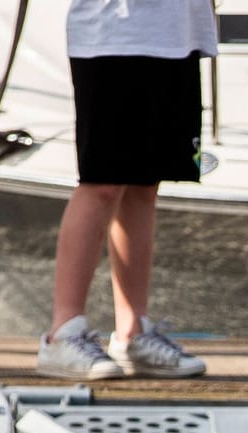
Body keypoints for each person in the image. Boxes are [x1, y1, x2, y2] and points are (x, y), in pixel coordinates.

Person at [37, 0, 214, 380]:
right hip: (111, 36)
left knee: (144, 184)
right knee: (102, 182)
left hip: (177, 34)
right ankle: (61, 334)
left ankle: (132, 332)